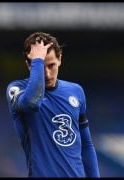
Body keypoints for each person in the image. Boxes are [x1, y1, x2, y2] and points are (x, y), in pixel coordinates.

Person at [6, 32, 100, 177]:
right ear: (29, 65)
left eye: (51, 65)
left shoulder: (76, 91)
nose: (48, 74)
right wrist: (37, 58)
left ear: (60, 59)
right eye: (40, 66)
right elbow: (32, 103)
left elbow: (86, 144)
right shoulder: (17, 89)